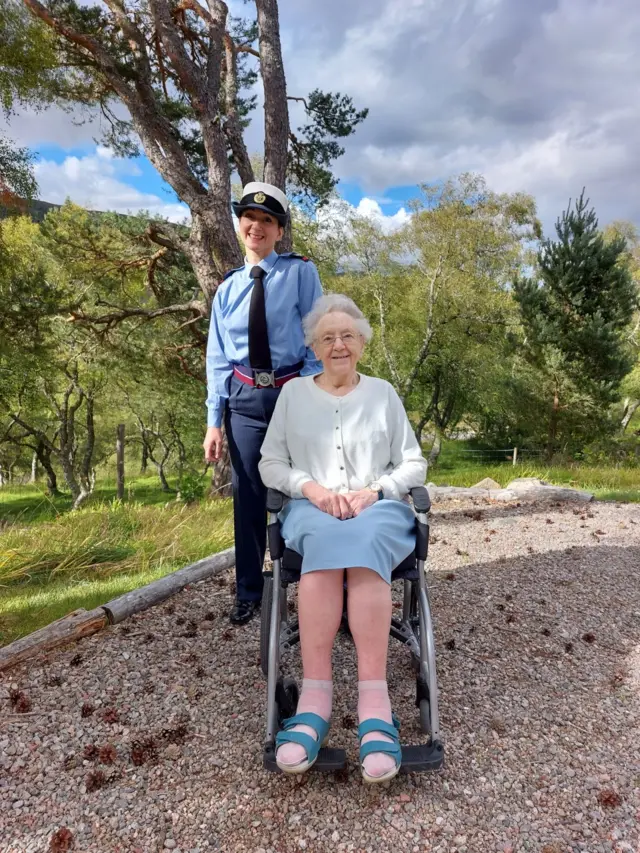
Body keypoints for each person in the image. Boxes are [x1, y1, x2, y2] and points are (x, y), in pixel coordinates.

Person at [258, 293, 428, 783]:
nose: (338, 345)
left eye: (347, 336)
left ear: (362, 344)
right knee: (324, 546)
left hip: (378, 509)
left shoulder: (383, 394)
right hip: (312, 509)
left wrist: (378, 491)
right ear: (314, 346)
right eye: (328, 337)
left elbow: (413, 462)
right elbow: (271, 462)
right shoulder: (292, 396)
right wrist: (307, 487)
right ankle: (316, 698)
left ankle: (375, 700)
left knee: (362, 545)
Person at [204, 182, 323, 625]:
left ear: (279, 231)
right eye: (249, 219)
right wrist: (214, 420)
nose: (256, 226)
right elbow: (217, 358)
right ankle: (250, 591)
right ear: (240, 225)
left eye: (267, 221)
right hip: (244, 400)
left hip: (292, 392)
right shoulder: (227, 290)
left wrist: (313, 396)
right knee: (249, 495)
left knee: (303, 489)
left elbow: (316, 338)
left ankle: (314, 582)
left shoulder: (300, 273)